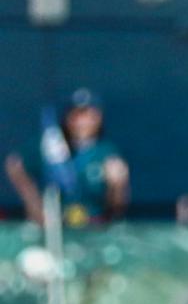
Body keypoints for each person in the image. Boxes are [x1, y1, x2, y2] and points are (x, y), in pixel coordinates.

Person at [6, 89, 129, 227]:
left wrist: (117, 186)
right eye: (76, 115)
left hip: (94, 227)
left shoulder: (107, 151)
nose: (81, 122)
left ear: (98, 118)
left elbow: (117, 208)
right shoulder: (52, 145)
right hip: (55, 229)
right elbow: (15, 164)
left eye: (88, 116)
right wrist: (34, 205)